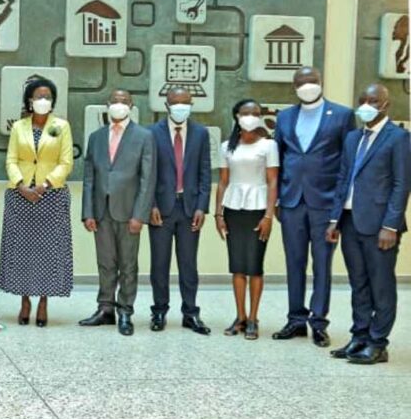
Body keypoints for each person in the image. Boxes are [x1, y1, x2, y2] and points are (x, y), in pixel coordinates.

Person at [272, 67, 356, 347]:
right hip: (292, 201)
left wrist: (339, 209)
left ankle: (318, 322)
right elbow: (278, 159)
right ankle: (296, 319)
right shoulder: (284, 117)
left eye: (312, 81)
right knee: (293, 263)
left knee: (322, 264)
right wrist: (277, 200)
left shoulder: (342, 115)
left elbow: (348, 163)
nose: (307, 86)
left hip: (325, 203)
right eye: (301, 83)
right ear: (294, 87)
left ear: (320, 83)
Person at [326, 84, 409, 365]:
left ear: (385, 105)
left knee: (381, 285)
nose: (366, 105)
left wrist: (391, 225)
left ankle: (377, 343)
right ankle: (359, 336)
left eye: (373, 100)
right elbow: (343, 180)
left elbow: (401, 185)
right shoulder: (352, 138)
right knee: (358, 283)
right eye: (362, 100)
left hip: (379, 227)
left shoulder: (398, 138)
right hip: (350, 222)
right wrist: (334, 219)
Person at [0, 76, 74, 327]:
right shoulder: (19, 126)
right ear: (29, 101)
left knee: (49, 252)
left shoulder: (61, 126)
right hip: (20, 196)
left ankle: (43, 301)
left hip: (51, 196)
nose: (43, 101)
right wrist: (21, 185)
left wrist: (45, 185)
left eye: (47, 97)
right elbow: (10, 160)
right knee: (22, 252)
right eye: (38, 97)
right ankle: (24, 300)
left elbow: (66, 162)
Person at [79, 89, 155, 336]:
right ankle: (105, 309)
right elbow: (89, 177)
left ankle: (125, 312)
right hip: (101, 211)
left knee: (128, 264)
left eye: (124, 101)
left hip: (129, 211)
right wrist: (88, 212)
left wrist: (140, 215)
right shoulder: (97, 137)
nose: (119, 105)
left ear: (131, 106)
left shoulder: (144, 136)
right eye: (115, 101)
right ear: (107, 104)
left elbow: (147, 179)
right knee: (105, 263)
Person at [147, 87, 212, 334]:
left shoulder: (200, 133)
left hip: (189, 208)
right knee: (159, 264)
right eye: (176, 103)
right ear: (166, 105)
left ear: (192, 105)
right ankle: (159, 311)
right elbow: (149, 173)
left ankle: (190, 313)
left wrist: (201, 207)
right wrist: (151, 204)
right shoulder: (152, 133)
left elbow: (205, 172)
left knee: (188, 264)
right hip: (161, 209)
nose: (181, 107)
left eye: (186, 103)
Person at [215, 99, 279, 341]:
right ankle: (240, 317)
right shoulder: (226, 146)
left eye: (255, 113)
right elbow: (223, 181)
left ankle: (253, 318)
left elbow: (273, 181)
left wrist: (269, 215)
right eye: (245, 112)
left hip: (258, 208)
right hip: (233, 208)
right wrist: (219, 214)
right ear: (236, 116)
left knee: (254, 266)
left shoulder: (269, 145)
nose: (250, 116)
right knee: (237, 266)